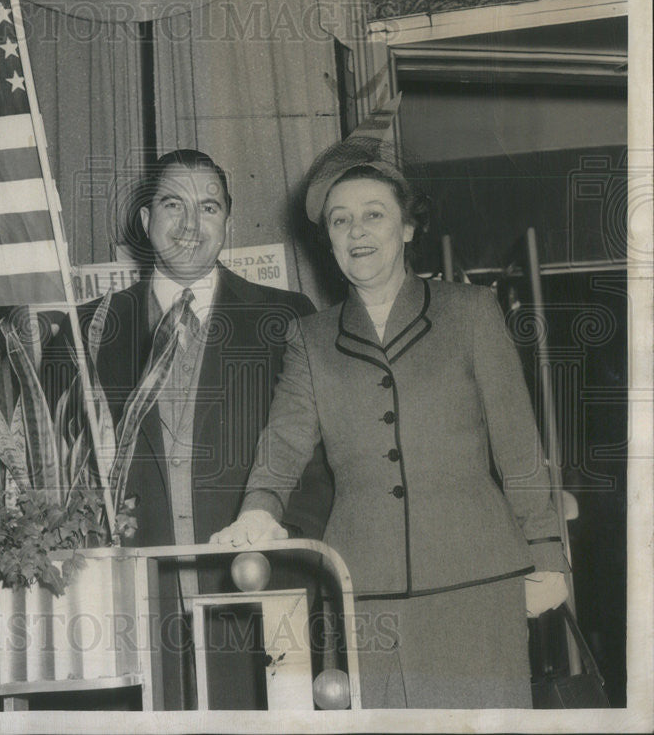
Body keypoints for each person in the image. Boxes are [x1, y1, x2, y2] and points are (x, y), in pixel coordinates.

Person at [210, 138, 570, 709]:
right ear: (327, 239)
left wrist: (549, 555)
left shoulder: (470, 313)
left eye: (374, 215)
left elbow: (519, 449)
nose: (357, 232)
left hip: (477, 582)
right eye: (340, 220)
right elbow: (284, 441)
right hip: (366, 591)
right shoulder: (310, 338)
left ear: (406, 228)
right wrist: (259, 507)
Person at [42, 149, 330, 709]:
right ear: (145, 221)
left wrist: (286, 557)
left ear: (228, 221)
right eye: (173, 204)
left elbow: (317, 464)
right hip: (124, 614)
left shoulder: (287, 317)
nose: (191, 225)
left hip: (259, 599)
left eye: (209, 207)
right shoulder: (83, 333)